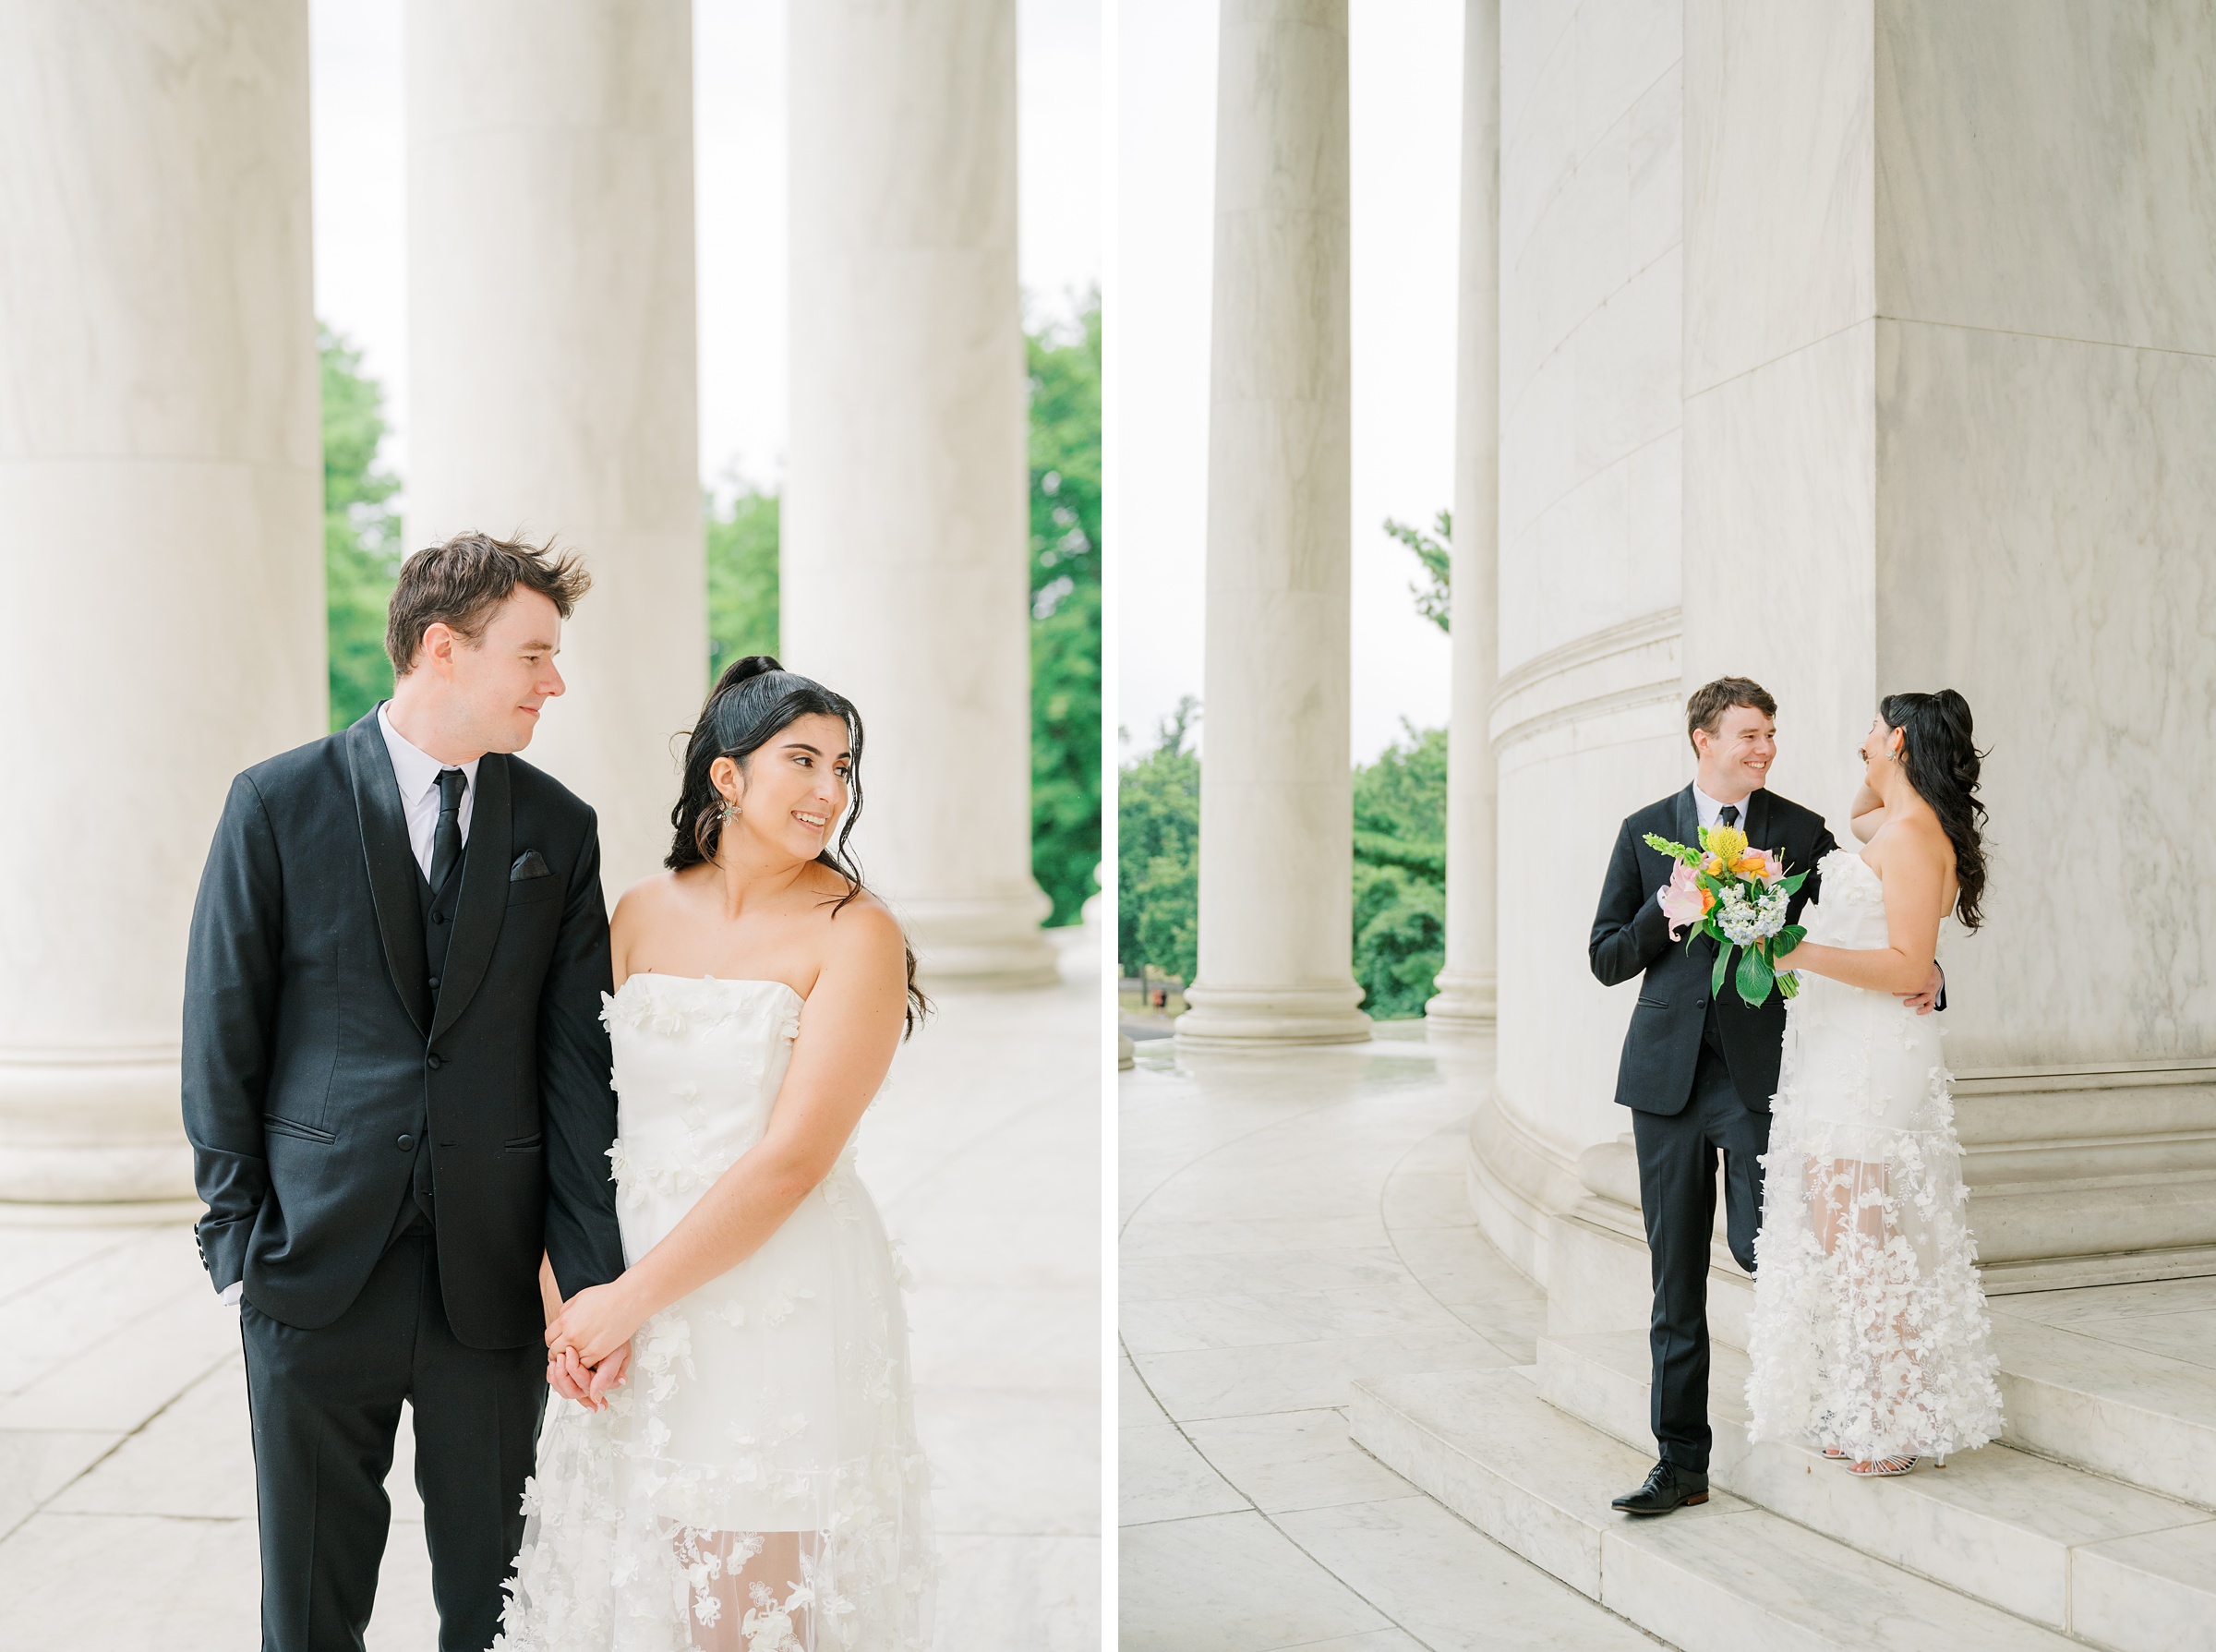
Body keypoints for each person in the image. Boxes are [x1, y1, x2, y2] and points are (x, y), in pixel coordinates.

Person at [183, 534, 629, 1651]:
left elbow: (578, 1071)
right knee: (311, 1604)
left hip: (489, 1281)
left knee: (497, 1606)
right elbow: (220, 1027)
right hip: (313, 1269)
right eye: (533, 654)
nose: (554, 682)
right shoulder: (275, 803)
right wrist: (237, 1233)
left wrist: (587, 1284)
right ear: (444, 647)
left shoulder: (559, 830)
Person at [495, 657, 934, 1652]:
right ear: (726, 777)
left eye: (845, 766)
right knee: (635, 1582)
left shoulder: (857, 933)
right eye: (804, 760)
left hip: (776, 1290)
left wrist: (629, 1299)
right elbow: (579, 1113)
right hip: (620, 1291)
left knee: (743, 1608)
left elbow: (793, 1158)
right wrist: (567, 1297)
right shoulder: (641, 911)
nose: (832, 790)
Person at [1585, 677, 1946, 1517]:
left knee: (1771, 1250)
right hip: (1665, 1086)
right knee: (1675, 1280)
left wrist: (1928, 971)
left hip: (1763, 1084)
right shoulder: (1643, 831)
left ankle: (1850, 1402)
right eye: (1749, 734)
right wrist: (1666, 911)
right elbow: (1605, 956)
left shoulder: (1799, 831)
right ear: (1702, 739)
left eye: (1771, 735)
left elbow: (1881, 920)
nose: (1765, 748)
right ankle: (1680, 1463)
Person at [1746, 692, 2003, 1475]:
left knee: (1865, 1242)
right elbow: (1864, 811)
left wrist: (1795, 951)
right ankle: (1873, 1402)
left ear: (1895, 734)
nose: (1858, 745)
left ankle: (1900, 1418)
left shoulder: (1918, 838)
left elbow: (1905, 965)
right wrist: (1886, 763)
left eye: (1869, 729)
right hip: (1838, 1048)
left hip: (1874, 1058)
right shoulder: (1893, 826)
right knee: (1841, 1236)